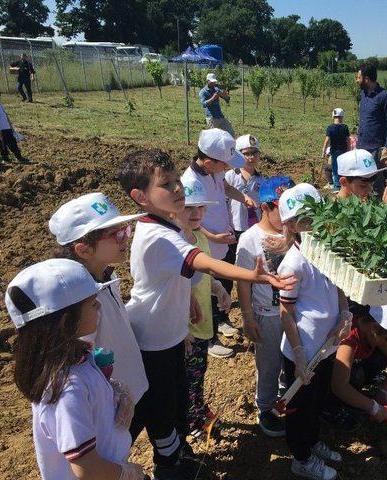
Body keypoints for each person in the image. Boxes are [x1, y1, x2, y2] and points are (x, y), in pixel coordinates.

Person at [117, 148, 295, 480]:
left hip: (168, 335)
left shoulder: (164, 223)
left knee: (172, 402)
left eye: (175, 181)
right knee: (156, 409)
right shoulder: (158, 235)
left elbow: (173, 277)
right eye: (167, 185)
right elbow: (202, 262)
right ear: (140, 196)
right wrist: (252, 275)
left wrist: (187, 301)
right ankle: (154, 466)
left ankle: (174, 453)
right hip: (153, 342)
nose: (177, 189)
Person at [5, 258, 145, 480]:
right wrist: (128, 474)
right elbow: (86, 468)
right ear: (66, 321)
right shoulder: (67, 389)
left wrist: (112, 393)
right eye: (92, 303)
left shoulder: (74, 357)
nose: (99, 306)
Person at [276, 183, 352, 480]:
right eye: (305, 219)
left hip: (326, 345)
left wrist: (344, 311)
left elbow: (338, 285)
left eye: (315, 215)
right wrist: (297, 354)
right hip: (303, 351)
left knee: (317, 400)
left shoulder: (326, 250)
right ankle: (302, 457)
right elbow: (286, 312)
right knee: (299, 408)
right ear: (292, 225)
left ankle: (313, 441)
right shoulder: (292, 264)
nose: (313, 224)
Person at [49, 192, 148, 406]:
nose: (126, 239)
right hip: (111, 401)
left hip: (133, 384)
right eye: (117, 235)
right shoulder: (81, 301)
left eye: (125, 230)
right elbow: (79, 360)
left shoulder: (107, 275)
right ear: (84, 250)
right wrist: (111, 392)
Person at [181, 129, 257, 357]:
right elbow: (189, 220)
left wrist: (242, 197)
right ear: (207, 161)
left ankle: (222, 319)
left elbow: (224, 187)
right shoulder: (190, 182)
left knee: (223, 284)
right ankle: (210, 337)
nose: (227, 168)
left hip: (223, 238)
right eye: (224, 164)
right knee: (205, 290)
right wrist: (213, 237)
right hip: (205, 245)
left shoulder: (214, 172)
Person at [236, 175, 295, 437]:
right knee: (268, 362)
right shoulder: (249, 240)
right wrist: (248, 319)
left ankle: (284, 395)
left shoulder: (294, 234)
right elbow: (243, 282)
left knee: (290, 358)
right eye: (281, 209)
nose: (287, 216)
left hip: (292, 311)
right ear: (265, 207)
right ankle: (265, 406)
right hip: (266, 313)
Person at [175, 177, 231, 437]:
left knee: (199, 372)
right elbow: (170, 290)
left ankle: (197, 408)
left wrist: (218, 288)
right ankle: (191, 420)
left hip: (202, 321)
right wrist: (180, 329)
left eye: (201, 207)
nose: (196, 213)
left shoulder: (199, 238)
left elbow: (205, 275)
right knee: (187, 377)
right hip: (184, 328)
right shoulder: (173, 243)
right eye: (189, 207)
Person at [331, 304, 387, 427]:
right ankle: (330, 407)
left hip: (348, 368)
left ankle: (355, 395)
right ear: (375, 328)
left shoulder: (371, 332)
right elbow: (339, 386)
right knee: (353, 377)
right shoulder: (349, 338)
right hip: (326, 374)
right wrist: (375, 408)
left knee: (380, 358)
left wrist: (384, 392)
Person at [356, 62, 387, 198]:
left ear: (367, 79)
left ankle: (379, 215)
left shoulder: (385, 96)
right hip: (361, 146)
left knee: (376, 184)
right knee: (361, 182)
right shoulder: (363, 94)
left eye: (359, 77)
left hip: (375, 148)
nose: (357, 80)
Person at [226, 134, 265, 236]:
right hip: (234, 227)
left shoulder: (263, 180)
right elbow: (223, 202)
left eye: (254, 153)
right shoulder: (231, 176)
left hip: (255, 228)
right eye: (246, 153)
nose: (251, 157)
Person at [321, 108, 351, 191]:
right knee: (344, 168)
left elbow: (327, 140)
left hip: (334, 151)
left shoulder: (330, 128)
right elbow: (348, 140)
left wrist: (323, 151)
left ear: (333, 117)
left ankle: (337, 186)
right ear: (341, 117)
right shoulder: (345, 127)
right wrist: (349, 150)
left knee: (335, 168)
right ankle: (344, 186)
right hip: (344, 151)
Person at [0, 89, 27, 162]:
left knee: (13, 144)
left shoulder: (1, 106)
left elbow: (6, 117)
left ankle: (19, 157)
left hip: (7, 128)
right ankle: (5, 159)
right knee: (2, 146)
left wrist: (11, 127)